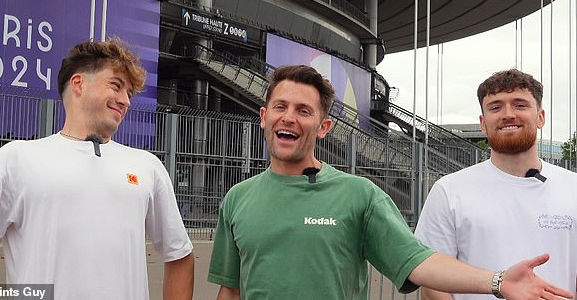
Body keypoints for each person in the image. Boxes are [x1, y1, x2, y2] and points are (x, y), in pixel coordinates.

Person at [207, 64, 574, 300]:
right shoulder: (237, 199)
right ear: (263, 116)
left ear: (323, 127)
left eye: (304, 111)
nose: (289, 118)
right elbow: (231, 289)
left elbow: (420, 263)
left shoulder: (358, 195)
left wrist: (497, 282)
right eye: (280, 107)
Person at [0, 39, 194, 300]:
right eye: (116, 86)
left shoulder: (147, 167)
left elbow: (180, 255)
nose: (125, 101)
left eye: (129, 94)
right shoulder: (17, 159)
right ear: (78, 83)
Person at [415, 68, 577, 300]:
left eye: (520, 105)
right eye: (495, 107)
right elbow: (431, 279)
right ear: (483, 123)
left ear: (541, 117)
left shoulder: (573, 188)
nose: (508, 114)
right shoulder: (449, 191)